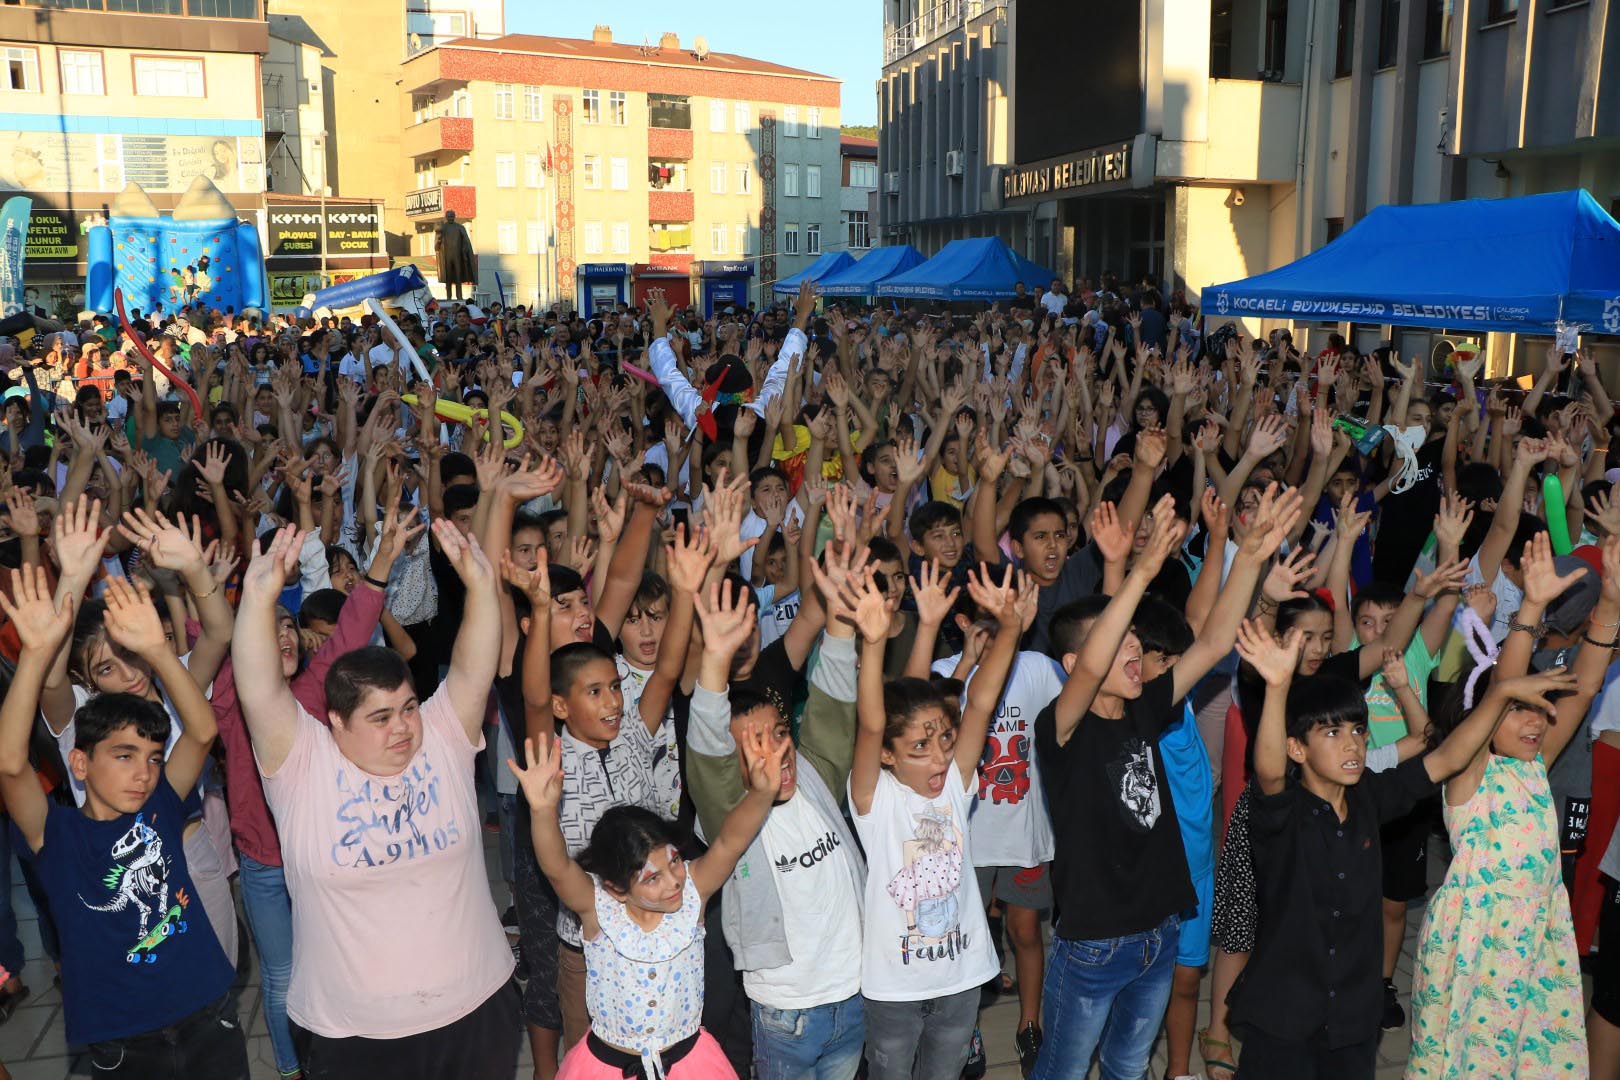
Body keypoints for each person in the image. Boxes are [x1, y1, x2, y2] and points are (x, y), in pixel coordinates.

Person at [1226, 606, 1580, 1080]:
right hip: (1285, 1015)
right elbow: (1269, 772)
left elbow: (1448, 756)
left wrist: (1501, 693)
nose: (1352, 744)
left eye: (1357, 730)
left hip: (1352, 1015)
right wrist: (1276, 687)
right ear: (1297, 748)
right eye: (1331, 732)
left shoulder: (1371, 797)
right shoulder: (1282, 812)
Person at [232, 522, 520, 1079]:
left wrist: (483, 588)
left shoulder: (442, 738)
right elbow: (259, 688)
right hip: (352, 1034)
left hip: (476, 1009)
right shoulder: (303, 764)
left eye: (409, 708)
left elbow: (471, 666)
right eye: (381, 717)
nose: (403, 728)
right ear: (336, 722)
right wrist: (258, 600)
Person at [1029, 486, 1297, 1080]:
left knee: (1128, 1066)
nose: (1133, 644)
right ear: (1073, 665)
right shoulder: (1061, 728)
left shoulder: (1146, 707)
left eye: (1134, 636)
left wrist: (1250, 556)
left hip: (1160, 931)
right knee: (1063, 1071)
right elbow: (1093, 663)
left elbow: (1213, 642)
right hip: (1095, 943)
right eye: (1120, 636)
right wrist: (1141, 570)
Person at [0, 564, 247, 1078]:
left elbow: (201, 732)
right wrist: (36, 655)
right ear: (80, 763)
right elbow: (10, 764)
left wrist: (157, 650)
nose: (144, 773)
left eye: (154, 758)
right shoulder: (56, 835)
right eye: (124, 756)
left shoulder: (161, 807)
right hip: (123, 1039)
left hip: (205, 1014)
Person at [1407, 533, 1617, 1078]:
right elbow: (1508, 685)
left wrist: (1611, 603)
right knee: (1469, 1062)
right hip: (1476, 946)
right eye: (1520, 711)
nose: (1535, 721)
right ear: (1483, 716)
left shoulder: (1534, 765)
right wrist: (1530, 607)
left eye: (1542, 711)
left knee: (1532, 1059)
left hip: (1537, 943)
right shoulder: (1469, 771)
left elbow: (1586, 686)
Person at [512, 716, 786, 1080]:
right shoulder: (598, 907)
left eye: (674, 861)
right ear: (616, 888)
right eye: (652, 879)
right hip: (608, 1067)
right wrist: (543, 811)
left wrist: (761, 794)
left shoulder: (694, 890)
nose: (673, 882)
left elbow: (728, 843)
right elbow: (558, 868)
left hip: (689, 1064)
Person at [849, 560, 1022, 1080]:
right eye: (919, 748)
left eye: (945, 740)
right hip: (893, 989)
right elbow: (872, 723)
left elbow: (982, 701)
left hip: (961, 978)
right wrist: (874, 643)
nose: (940, 757)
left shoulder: (953, 783)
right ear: (887, 755)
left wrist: (1010, 626)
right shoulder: (875, 799)